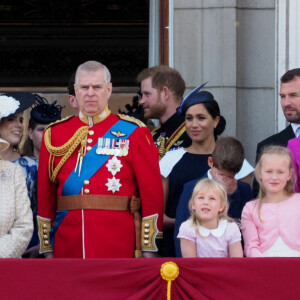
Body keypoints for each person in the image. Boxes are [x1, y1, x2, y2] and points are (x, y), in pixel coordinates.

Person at [37, 60, 164, 258]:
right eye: (84, 87)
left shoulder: (135, 132)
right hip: (68, 244)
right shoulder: (54, 135)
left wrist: (149, 247)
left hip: (118, 244)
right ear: (75, 91)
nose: (90, 93)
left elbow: (151, 194)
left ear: (109, 89)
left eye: (97, 87)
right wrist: (47, 249)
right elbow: (45, 197)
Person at [158, 84, 226, 257]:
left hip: (221, 253)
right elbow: (158, 216)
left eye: (201, 118)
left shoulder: (230, 159)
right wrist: (186, 223)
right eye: (189, 118)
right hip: (175, 250)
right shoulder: (169, 160)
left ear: (215, 121)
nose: (194, 125)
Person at [174, 136, 253, 256]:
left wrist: (232, 195)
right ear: (210, 162)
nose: (223, 181)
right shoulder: (192, 188)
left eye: (230, 176)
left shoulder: (243, 190)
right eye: (220, 174)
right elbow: (181, 233)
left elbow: (245, 230)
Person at [21, 95, 63, 258]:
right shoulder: (21, 167)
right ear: (30, 133)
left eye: (52, 128)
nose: (48, 134)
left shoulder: (71, 168)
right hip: (26, 244)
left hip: (61, 244)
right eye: (41, 130)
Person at [241, 146, 300, 257]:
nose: (274, 177)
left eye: (280, 172)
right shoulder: (250, 209)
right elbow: (251, 246)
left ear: (289, 174)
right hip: (264, 267)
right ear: (259, 173)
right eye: (269, 171)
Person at [254, 68, 300, 196]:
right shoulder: (268, 146)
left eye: (293, 95)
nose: (286, 103)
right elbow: (259, 198)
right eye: (282, 96)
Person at [177, 178, 243, 258]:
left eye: (212, 198)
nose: (205, 202)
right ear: (193, 204)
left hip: (225, 270)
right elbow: (191, 264)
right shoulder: (188, 228)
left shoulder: (231, 229)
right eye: (201, 198)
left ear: (221, 206)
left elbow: (236, 263)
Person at [0, 100, 33, 258]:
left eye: (21, 120)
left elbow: (24, 226)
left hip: (7, 265)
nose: (19, 125)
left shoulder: (14, 172)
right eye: (11, 119)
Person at [137, 65, 191, 159]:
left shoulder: (193, 133)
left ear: (165, 93)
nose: (141, 101)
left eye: (147, 94)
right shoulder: (154, 135)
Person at [22, 94, 63, 159]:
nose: (47, 135)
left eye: (52, 130)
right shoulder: (17, 167)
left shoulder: (67, 166)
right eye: (41, 129)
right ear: (30, 133)